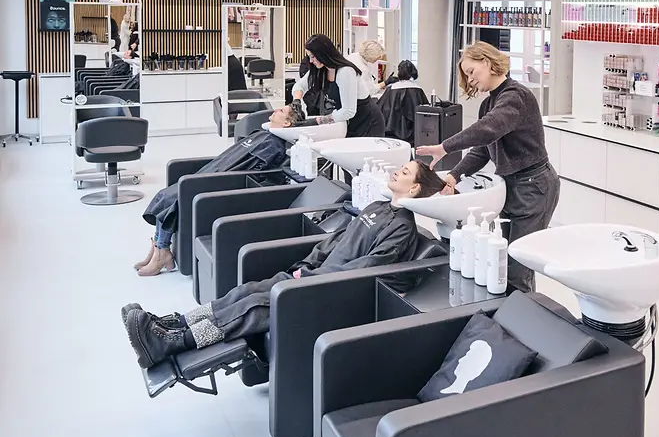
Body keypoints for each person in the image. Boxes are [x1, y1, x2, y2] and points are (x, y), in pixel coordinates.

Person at [121, 160, 447, 369]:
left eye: (404, 172)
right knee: (245, 291)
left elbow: (371, 266)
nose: (396, 171)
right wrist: (304, 266)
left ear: (415, 188)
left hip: (331, 290)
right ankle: (171, 323)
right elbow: (334, 242)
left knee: (254, 306)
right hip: (312, 276)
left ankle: (172, 343)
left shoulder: (403, 226)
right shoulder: (375, 205)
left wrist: (313, 278)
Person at [416, 41, 559, 294]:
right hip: (511, 187)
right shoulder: (489, 104)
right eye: (467, 76)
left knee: (518, 267)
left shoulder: (516, 96)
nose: (470, 81)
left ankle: (518, 324)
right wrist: (453, 175)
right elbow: (482, 148)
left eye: (472, 72)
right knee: (503, 262)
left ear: (487, 61)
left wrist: (445, 147)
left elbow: (488, 128)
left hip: (534, 187)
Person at [134, 103, 306, 277]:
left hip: (220, 182)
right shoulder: (263, 134)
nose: (276, 110)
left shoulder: (273, 145)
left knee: (172, 196)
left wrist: (213, 177)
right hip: (213, 173)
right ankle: (158, 246)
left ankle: (162, 251)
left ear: (287, 124)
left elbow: (249, 171)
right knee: (167, 193)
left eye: (282, 111)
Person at [289, 35, 387, 138]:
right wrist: (297, 101)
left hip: (367, 122)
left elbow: (348, 111)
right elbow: (299, 86)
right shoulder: (320, 69)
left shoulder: (345, 72)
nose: (310, 61)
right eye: (309, 56)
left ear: (323, 54)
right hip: (348, 122)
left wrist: (318, 121)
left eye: (313, 56)